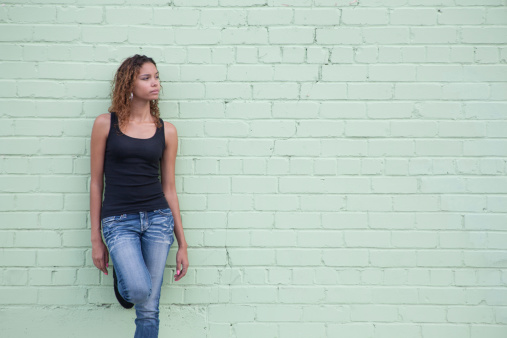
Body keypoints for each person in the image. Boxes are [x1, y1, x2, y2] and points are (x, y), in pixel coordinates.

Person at [89, 54, 189, 338]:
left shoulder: (166, 131)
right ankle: (124, 273)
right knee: (138, 290)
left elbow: (169, 188)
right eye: (146, 78)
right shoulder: (105, 125)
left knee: (149, 310)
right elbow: (96, 183)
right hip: (118, 222)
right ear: (128, 84)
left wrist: (183, 243)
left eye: (156, 76)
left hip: (158, 220)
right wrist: (96, 239)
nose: (155, 83)